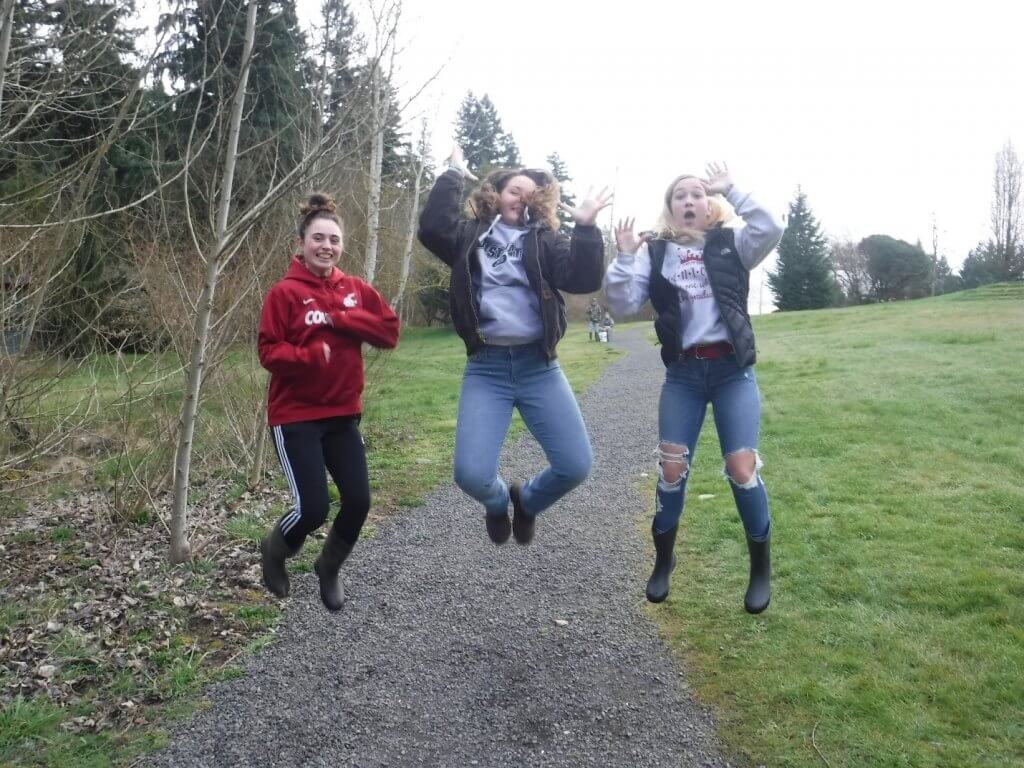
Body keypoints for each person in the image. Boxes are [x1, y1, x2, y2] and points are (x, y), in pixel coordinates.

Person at [605, 163, 784, 613]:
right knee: (671, 469)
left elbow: (772, 226)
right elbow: (624, 303)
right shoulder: (657, 252)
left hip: (731, 373)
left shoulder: (732, 244)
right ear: (669, 209)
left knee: (742, 468)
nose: (689, 200)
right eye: (679, 195)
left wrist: (735, 189)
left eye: (697, 194)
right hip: (684, 374)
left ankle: (760, 567)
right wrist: (626, 256)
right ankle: (663, 562)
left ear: (709, 205)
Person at [417, 145, 611, 545]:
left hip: (538, 368)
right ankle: (498, 501)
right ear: (495, 195)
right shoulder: (468, 236)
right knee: (470, 475)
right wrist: (453, 173)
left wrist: (588, 230)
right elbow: (432, 228)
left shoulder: (545, 241)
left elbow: (582, 279)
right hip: (486, 369)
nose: (521, 198)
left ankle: (528, 501)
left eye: (530, 194)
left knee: (575, 466)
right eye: (514, 190)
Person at [257, 193, 399, 611]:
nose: (327, 246)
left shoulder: (355, 290)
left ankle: (329, 566)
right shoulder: (283, 293)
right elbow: (268, 352)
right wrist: (306, 357)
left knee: (359, 502)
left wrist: (343, 318)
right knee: (313, 508)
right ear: (301, 244)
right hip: (295, 417)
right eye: (318, 238)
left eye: (334, 240)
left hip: (342, 414)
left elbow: (388, 333)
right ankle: (274, 550)